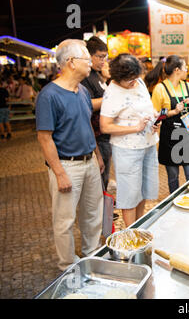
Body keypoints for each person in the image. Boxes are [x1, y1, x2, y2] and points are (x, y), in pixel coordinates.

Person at [35, 39, 104, 271]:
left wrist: (97, 155)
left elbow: (86, 125)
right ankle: (67, 266)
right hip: (67, 166)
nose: (91, 64)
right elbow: (45, 138)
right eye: (87, 59)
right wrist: (59, 172)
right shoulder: (48, 96)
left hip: (90, 161)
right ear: (71, 63)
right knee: (64, 221)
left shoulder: (82, 91)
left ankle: (91, 255)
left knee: (93, 214)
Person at [100, 54, 160, 228]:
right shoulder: (112, 93)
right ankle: (131, 233)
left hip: (148, 144)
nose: (134, 82)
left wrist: (155, 118)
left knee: (143, 190)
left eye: (136, 78)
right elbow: (105, 126)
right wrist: (135, 128)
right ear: (118, 78)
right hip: (127, 149)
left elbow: (148, 108)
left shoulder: (139, 82)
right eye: (130, 80)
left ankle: (139, 227)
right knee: (129, 194)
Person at [151, 55, 189, 193]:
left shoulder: (188, 86)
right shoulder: (160, 89)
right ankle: (174, 204)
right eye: (185, 68)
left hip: (188, 136)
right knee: (173, 177)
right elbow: (155, 115)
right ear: (177, 70)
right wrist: (173, 111)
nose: (187, 71)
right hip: (170, 138)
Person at [80, 36, 112, 190]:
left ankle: (105, 211)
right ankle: (102, 212)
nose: (103, 61)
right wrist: (111, 98)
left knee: (104, 177)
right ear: (89, 55)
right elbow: (88, 104)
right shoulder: (86, 77)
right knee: (100, 179)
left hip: (105, 135)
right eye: (100, 57)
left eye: (105, 57)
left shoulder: (97, 75)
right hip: (98, 136)